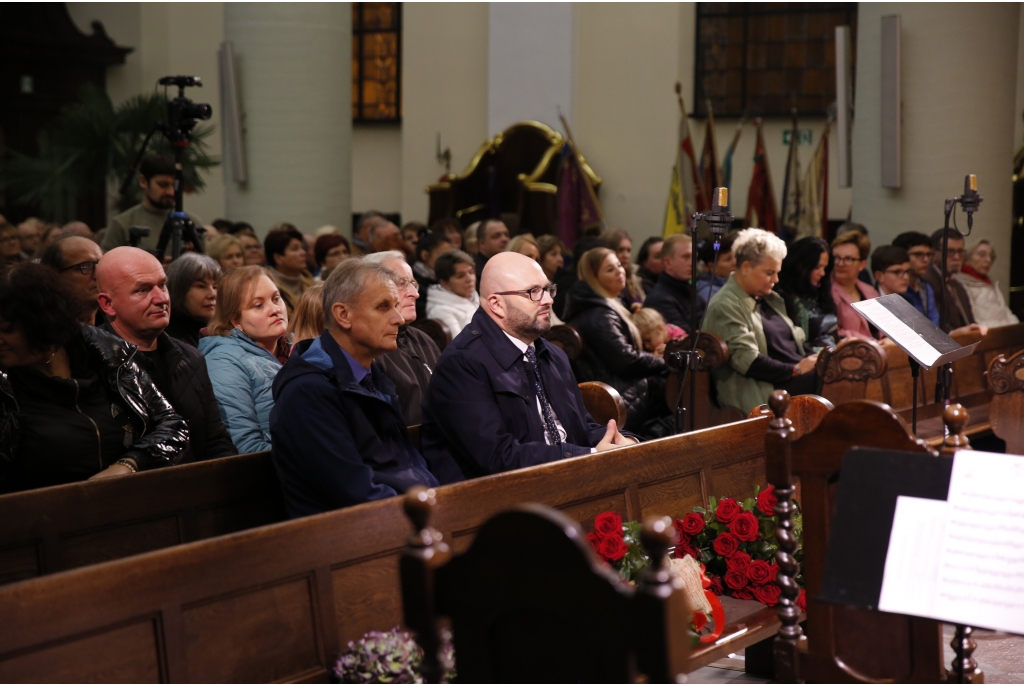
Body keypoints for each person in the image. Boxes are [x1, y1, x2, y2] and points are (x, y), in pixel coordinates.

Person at [422, 252, 636, 484]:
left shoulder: (552, 354)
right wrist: (589, 455)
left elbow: (580, 428)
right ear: (497, 304)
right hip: (498, 497)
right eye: (533, 292)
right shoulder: (462, 364)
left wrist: (625, 443)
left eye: (548, 289)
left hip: (564, 477)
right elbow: (497, 457)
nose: (548, 300)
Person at [270, 259, 438, 517]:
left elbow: (404, 464)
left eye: (396, 306)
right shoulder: (308, 393)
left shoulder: (372, 374)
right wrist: (432, 513)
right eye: (383, 307)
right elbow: (356, 494)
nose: (399, 318)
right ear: (343, 315)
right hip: (348, 540)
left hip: (401, 517)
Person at [0, 264, 188, 492]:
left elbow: (171, 424)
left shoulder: (107, 353)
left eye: (8, 329)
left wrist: (129, 464)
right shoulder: (6, 384)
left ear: (41, 321)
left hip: (134, 500)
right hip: (44, 517)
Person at [96, 248, 236, 463]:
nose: (161, 298)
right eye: (142, 290)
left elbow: (216, 441)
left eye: (162, 285)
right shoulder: (91, 364)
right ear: (108, 304)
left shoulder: (192, 358)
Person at [703, 228, 818, 414]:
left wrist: (818, 358)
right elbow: (748, 361)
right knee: (835, 379)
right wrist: (796, 369)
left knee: (844, 369)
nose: (776, 279)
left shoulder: (771, 299)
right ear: (746, 267)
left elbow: (796, 343)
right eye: (769, 272)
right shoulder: (725, 304)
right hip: (764, 391)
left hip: (790, 380)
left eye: (777, 272)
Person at [564, 247, 668, 429]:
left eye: (619, 266)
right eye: (610, 269)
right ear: (593, 278)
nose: (620, 271)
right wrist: (662, 361)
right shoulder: (598, 313)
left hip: (621, 387)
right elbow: (624, 360)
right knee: (680, 382)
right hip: (614, 397)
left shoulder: (607, 305)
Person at [199, 266, 288, 454]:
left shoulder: (298, 346)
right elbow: (246, 447)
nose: (275, 309)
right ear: (235, 320)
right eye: (258, 305)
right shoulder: (223, 362)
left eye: (276, 298)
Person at [364, 251, 442, 426]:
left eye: (413, 284)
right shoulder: (367, 348)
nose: (415, 294)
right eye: (402, 283)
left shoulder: (424, 340)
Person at [101, 154, 201, 253]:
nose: (170, 192)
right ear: (143, 181)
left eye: (174, 185)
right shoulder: (122, 224)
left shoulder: (191, 223)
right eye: (163, 185)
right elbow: (106, 265)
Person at [775, 236, 837, 350]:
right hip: (810, 358)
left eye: (825, 268)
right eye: (818, 267)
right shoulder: (783, 297)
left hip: (832, 352)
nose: (822, 273)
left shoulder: (819, 291)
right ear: (800, 265)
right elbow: (794, 345)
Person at [644, 234, 707, 335]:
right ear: (668, 263)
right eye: (686, 257)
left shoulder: (688, 290)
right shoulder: (660, 300)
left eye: (694, 257)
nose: (692, 263)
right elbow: (687, 339)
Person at [921, 228, 977, 333]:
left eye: (960, 252)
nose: (957, 257)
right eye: (950, 252)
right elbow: (934, 327)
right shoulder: (925, 283)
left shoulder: (958, 287)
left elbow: (970, 323)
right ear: (933, 253)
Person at [952, 240, 1019, 328]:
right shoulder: (961, 284)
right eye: (982, 254)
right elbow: (974, 320)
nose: (988, 260)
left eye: (991, 257)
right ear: (967, 258)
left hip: (1004, 333)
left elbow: (1005, 312)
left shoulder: (991, 283)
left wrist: (1016, 328)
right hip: (988, 335)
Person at [39, 236, 105, 325]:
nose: (98, 274)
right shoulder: (43, 331)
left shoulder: (119, 326)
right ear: (54, 276)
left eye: (102, 264)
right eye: (85, 267)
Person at [164, 253, 222, 347]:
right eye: (201, 286)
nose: (213, 294)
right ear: (178, 289)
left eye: (215, 287)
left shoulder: (218, 330)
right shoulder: (168, 339)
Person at [830, 230, 879, 339]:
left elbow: (883, 328)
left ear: (862, 265)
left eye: (848, 259)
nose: (840, 264)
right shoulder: (827, 291)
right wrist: (867, 341)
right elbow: (831, 332)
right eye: (837, 257)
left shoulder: (870, 291)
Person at [426, 250, 480, 338]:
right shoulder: (441, 311)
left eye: (471, 272)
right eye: (460, 276)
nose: (469, 279)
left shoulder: (475, 297)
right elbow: (460, 346)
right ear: (445, 283)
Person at [892, 231, 940, 326]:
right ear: (901, 256)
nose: (926, 260)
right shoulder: (893, 287)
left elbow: (934, 324)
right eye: (918, 255)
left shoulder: (926, 286)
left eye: (928, 255)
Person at [264, 226, 315, 312]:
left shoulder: (310, 282)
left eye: (302, 248)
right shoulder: (268, 288)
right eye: (295, 249)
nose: (303, 253)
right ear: (278, 258)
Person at [601, 228, 646, 309]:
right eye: (620, 250)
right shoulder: (603, 282)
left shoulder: (633, 278)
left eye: (628, 250)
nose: (626, 256)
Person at [412, 232, 452, 319]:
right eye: (443, 256)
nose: (449, 261)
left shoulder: (447, 277)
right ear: (425, 255)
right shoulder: (413, 283)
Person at [696, 232, 737, 304]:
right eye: (728, 259)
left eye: (735, 257)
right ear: (711, 266)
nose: (735, 263)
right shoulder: (709, 293)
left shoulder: (734, 284)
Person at [473, 219, 510, 285]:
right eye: (496, 236)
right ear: (482, 243)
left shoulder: (511, 267)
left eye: (506, 235)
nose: (504, 239)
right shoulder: (474, 272)